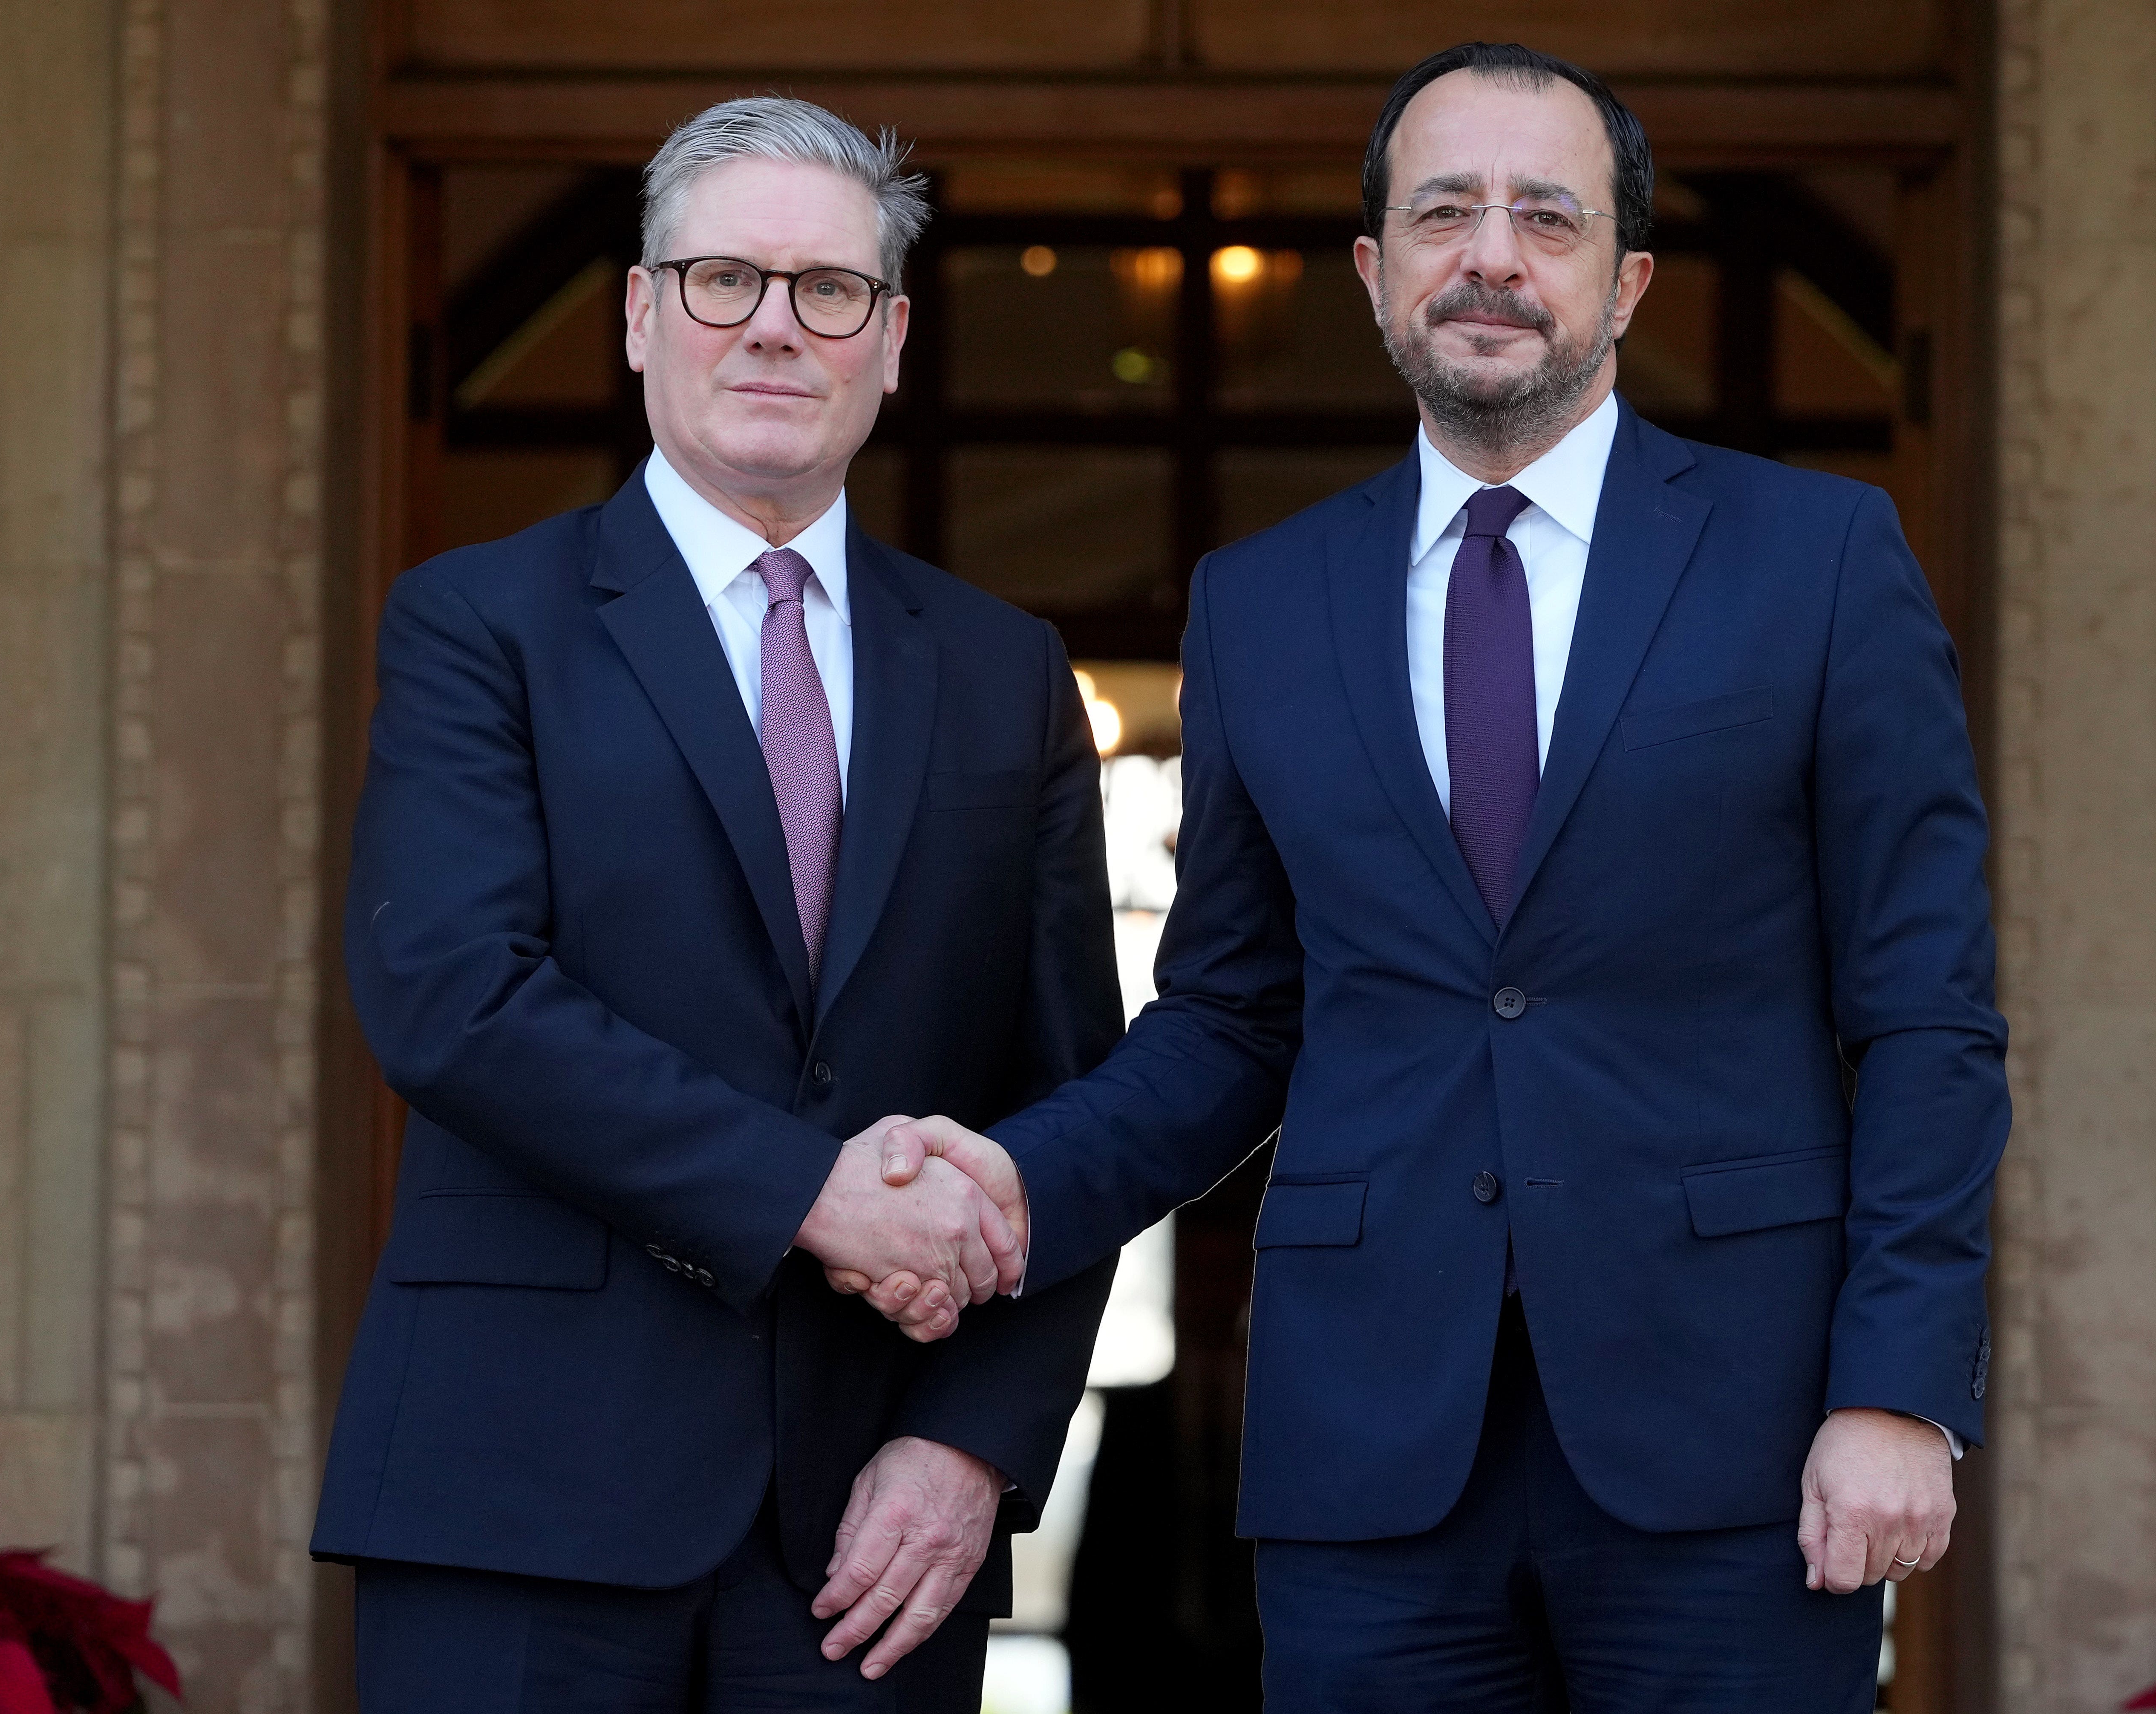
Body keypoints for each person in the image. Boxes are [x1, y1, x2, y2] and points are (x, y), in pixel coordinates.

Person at [856, 41, 2008, 1713]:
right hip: (1371, 1463)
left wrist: (1898, 1388)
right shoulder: (1260, 603)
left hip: (1737, 1439)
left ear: (1627, 282)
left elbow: (1928, 1017)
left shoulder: (1819, 563)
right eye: (1446, 211)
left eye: (1548, 218)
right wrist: (1017, 1186)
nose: (1493, 255)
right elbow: (1234, 1019)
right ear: (1373, 271)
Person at [311, 96, 1119, 1713]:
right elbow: (453, 996)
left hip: (872, 1534)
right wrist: (810, 1196)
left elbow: (1069, 1109)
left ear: (888, 340)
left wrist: (973, 1442)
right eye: (719, 279)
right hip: (523, 1494)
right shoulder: (480, 623)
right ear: (636, 312)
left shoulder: (1001, 672)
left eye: (826, 291)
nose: (772, 327)